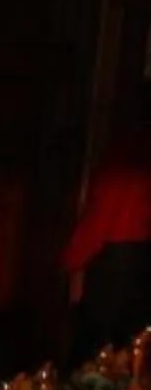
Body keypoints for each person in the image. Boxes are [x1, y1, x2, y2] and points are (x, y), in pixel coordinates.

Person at [68, 121, 151, 354]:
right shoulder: (126, 161)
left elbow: (96, 222)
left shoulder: (122, 162)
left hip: (114, 262)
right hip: (124, 260)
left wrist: (76, 268)